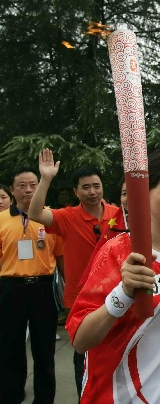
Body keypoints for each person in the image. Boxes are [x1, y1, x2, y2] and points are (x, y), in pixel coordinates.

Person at [65, 145, 160, 404]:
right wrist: (123, 293)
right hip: (116, 395)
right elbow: (80, 340)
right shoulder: (118, 251)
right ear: (145, 192)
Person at [28, 149, 119, 399]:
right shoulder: (67, 217)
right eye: (86, 187)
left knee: (117, 354)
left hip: (119, 296)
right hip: (83, 301)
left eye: (96, 186)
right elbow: (35, 213)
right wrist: (45, 179)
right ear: (76, 192)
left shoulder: (117, 214)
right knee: (85, 358)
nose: (92, 191)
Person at [0, 168, 63, 404]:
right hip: (10, 289)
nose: (28, 190)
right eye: (22, 185)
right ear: (12, 190)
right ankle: (11, 396)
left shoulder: (51, 218)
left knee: (44, 351)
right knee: (10, 349)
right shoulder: (1, 220)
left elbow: (61, 257)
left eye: (33, 185)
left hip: (42, 289)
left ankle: (44, 399)